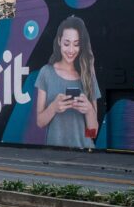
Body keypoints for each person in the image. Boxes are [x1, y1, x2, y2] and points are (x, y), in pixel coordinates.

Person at [34, 15, 100, 149]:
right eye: (66, 43)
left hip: (84, 153)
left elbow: (92, 133)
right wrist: (53, 107)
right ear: (59, 41)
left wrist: (89, 110)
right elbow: (40, 122)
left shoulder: (88, 75)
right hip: (54, 154)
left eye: (76, 44)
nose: (71, 50)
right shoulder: (46, 72)